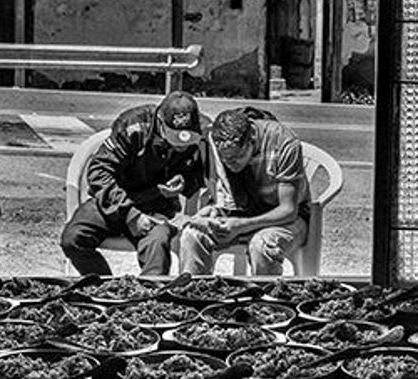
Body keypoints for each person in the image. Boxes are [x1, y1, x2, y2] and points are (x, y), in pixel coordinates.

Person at [60, 91, 208, 276]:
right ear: (161, 123)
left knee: (157, 245)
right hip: (115, 202)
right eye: (175, 139)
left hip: (156, 208)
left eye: (186, 140)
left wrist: (184, 183)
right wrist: (131, 215)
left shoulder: (204, 131)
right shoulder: (134, 126)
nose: (181, 147)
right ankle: (105, 287)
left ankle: (148, 299)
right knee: (73, 238)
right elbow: (99, 172)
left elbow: (204, 177)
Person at [177, 107, 312, 276]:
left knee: (262, 245)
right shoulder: (215, 140)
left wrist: (241, 225)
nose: (229, 163)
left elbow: (288, 211)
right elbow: (222, 194)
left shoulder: (283, 142)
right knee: (192, 235)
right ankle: (194, 296)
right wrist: (214, 211)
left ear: (252, 140)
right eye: (224, 158)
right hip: (240, 213)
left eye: (236, 158)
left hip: (285, 219)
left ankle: (264, 300)